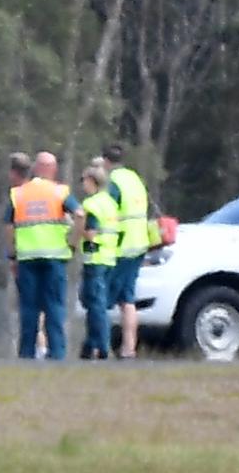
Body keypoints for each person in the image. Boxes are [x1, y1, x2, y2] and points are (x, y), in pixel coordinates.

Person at [5, 150, 85, 360]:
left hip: (27, 259)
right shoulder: (60, 192)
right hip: (55, 258)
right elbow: (80, 214)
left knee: (29, 308)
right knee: (54, 306)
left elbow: (8, 227)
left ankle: (26, 354)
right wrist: (73, 243)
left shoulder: (19, 193)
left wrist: (12, 256)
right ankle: (57, 353)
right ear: (51, 169)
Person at [103, 143, 151, 359]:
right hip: (139, 243)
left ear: (105, 161)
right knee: (127, 299)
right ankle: (129, 347)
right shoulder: (135, 179)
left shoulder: (113, 182)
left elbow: (107, 211)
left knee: (102, 300)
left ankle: (99, 346)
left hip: (120, 245)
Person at [78, 165, 118, 360]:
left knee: (95, 305)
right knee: (97, 303)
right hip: (110, 257)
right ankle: (90, 344)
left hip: (96, 259)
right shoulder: (110, 203)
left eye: (84, 180)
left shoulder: (91, 204)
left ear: (92, 181)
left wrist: (75, 229)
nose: (82, 184)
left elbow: (91, 234)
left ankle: (102, 346)